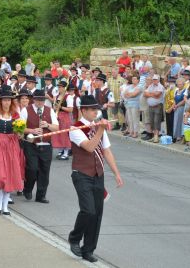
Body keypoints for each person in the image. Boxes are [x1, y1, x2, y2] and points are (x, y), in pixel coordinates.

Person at [68, 94, 123, 263]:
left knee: (97, 214)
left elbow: (106, 150)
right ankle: (74, 237)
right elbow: (90, 147)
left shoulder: (97, 126)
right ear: (83, 110)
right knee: (88, 210)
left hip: (98, 175)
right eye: (92, 110)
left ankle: (88, 249)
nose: (96, 113)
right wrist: (100, 129)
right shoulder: (75, 129)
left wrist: (116, 173)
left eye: (97, 110)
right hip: (81, 174)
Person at [21, 90, 59, 203]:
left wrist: (47, 125)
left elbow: (56, 128)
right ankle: (27, 189)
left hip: (46, 145)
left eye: (42, 100)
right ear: (33, 99)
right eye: (38, 100)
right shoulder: (25, 110)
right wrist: (32, 130)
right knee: (32, 168)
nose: (40, 102)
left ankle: (41, 195)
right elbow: (19, 128)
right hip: (31, 144)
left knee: (44, 170)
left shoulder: (49, 110)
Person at [52, 81, 73, 160]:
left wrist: (60, 107)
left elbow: (70, 109)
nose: (59, 88)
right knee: (58, 133)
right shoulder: (57, 96)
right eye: (58, 87)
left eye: (61, 87)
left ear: (64, 88)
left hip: (65, 117)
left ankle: (66, 152)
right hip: (58, 116)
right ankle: (61, 150)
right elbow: (55, 107)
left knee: (64, 134)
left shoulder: (68, 97)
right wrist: (55, 107)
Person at [144, 75, 165, 143]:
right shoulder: (151, 86)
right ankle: (154, 136)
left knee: (157, 121)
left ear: (158, 80)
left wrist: (149, 94)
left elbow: (158, 95)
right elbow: (145, 94)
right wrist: (153, 94)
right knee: (152, 121)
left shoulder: (160, 86)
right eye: (153, 79)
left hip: (157, 106)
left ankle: (156, 137)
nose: (154, 81)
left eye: (155, 79)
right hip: (151, 106)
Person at [172, 78, 186, 142]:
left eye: (180, 84)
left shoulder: (185, 90)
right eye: (178, 84)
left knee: (180, 121)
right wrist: (174, 105)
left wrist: (177, 105)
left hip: (182, 107)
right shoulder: (176, 90)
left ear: (183, 84)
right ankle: (175, 135)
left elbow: (184, 100)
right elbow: (175, 99)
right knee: (176, 121)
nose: (179, 85)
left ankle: (180, 136)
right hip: (176, 107)